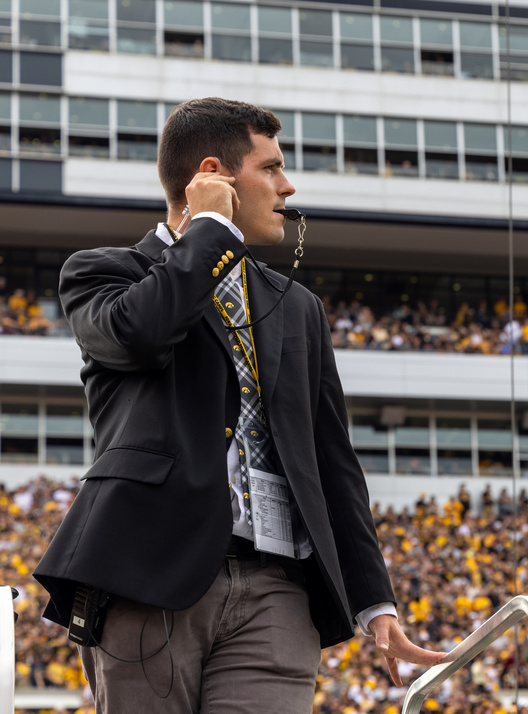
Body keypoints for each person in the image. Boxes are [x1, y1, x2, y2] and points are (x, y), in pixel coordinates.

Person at [33, 98, 443, 712]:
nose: (288, 185)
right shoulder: (103, 272)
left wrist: (372, 599)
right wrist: (211, 232)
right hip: (150, 572)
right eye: (272, 168)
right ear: (215, 176)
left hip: (278, 587)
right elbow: (141, 333)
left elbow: (331, 458)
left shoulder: (298, 306)